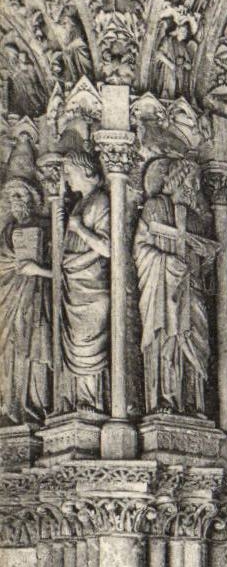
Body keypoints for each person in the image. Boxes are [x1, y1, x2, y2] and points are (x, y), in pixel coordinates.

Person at [134, 158, 214, 416]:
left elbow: (203, 258)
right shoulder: (155, 206)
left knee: (195, 339)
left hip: (192, 288)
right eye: (194, 181)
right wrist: (166, 262)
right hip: (165, 288)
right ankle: (166, 400)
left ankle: (193, 402)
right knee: (168, 338)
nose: (197, 187)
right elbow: (140, 248)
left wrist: (206, 258)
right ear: (180, 179)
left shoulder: (193, 218)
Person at [58, 146, 110, 414]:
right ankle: (81, 402)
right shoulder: (81, 203)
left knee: (86, 343)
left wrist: (78, 228)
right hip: (75, 286)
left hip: (92, 287)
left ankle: (93, 404)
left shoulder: (100, 200)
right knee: (76, 343)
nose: (67, 179)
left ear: (84, 170)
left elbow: (108, 248)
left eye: (69, 172)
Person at [0, 178, 51, 422]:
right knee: (9, 348)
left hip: (38, 297)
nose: (16, 202)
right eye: (12, 197)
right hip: (9, 299)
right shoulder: (7, 232)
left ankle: (34, 406)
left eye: (21, 195)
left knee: (34, 345)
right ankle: (11, 406)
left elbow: (62, 268)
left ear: (33, 197)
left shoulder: (46, 227)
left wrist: (38, 270)